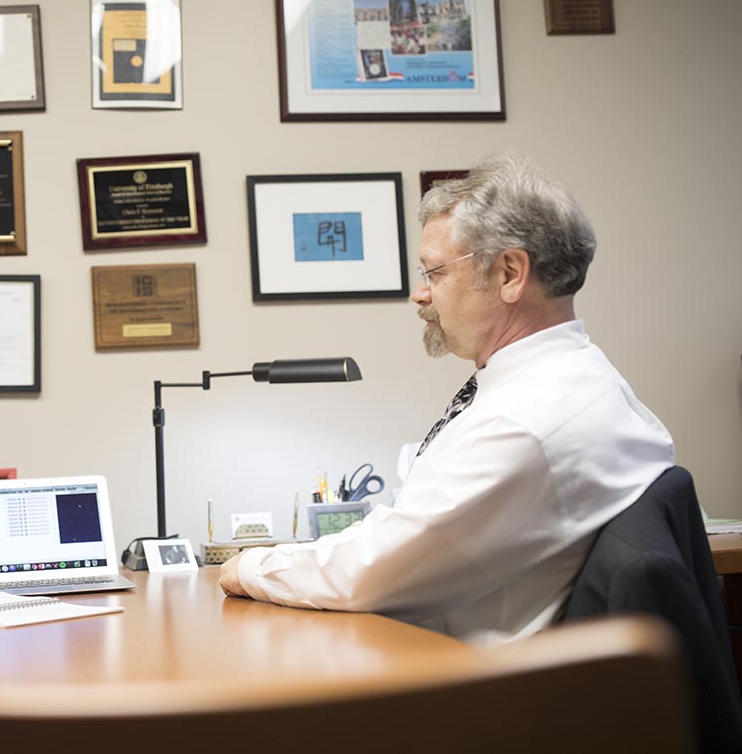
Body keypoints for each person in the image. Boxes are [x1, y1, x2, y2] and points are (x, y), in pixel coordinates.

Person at [220, 150, 674, 642]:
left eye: (434, 273)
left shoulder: (528, 421)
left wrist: (246, 566)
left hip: (466, 693)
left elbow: (371, 571)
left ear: (508, 274)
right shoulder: (576, 379)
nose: (420, 294)